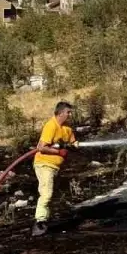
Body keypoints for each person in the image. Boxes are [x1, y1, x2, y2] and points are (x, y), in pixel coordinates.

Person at [33, 101, 76, 237]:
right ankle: (39, 223)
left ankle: (44, 220)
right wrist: (58, 152)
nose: (70, 114)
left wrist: (75, 145)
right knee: (46, 194)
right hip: (44, 164)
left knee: (50, 195)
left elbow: (72, 142)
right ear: (60, 113)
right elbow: (41, 147)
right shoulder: (51, 126)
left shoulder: (67, 128)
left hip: (55, 167)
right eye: (68, 112)